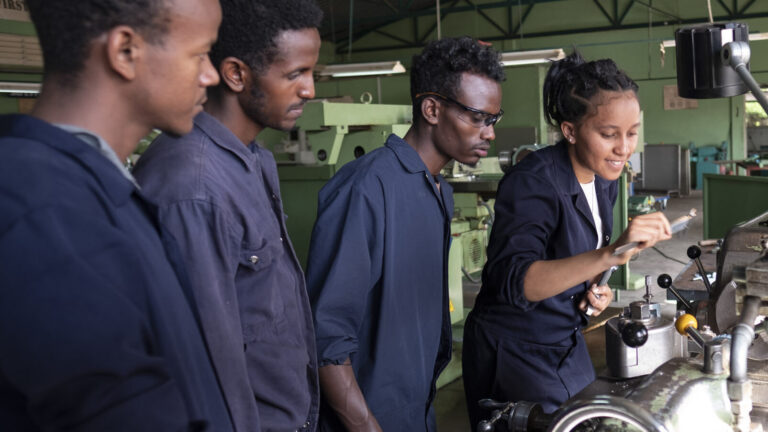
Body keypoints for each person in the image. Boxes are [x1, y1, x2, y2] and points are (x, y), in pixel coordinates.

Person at [0, 0, 233, 431]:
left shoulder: (91, 190)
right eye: (200, 54)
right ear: (125, 50)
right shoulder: (45, 210)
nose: (211, 76)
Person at [130, 1, 323, 430]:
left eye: (312, 73)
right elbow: (207, 364)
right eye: (295, 74)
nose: (309, 90)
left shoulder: (253, 160)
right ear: (236, 74)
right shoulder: (195, 187)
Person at [305, 36, 505, 432]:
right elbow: (325, 340)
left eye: (493, 120)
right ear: (431, 109)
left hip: (416, 406)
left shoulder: (438, 191)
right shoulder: (366, 189)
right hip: (367, 415)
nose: (489, 133)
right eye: (477, 118)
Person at [462, 51, 672, 427]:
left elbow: (576, 260)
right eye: (609, 134)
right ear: (570, 130)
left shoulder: (603, 179)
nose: (624, 148)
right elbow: (519, 281)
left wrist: (596, 287)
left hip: (564, 337)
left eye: (632, 133)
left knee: (590, 417)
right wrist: (609, 255)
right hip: (515, 348)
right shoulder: (533, 183)